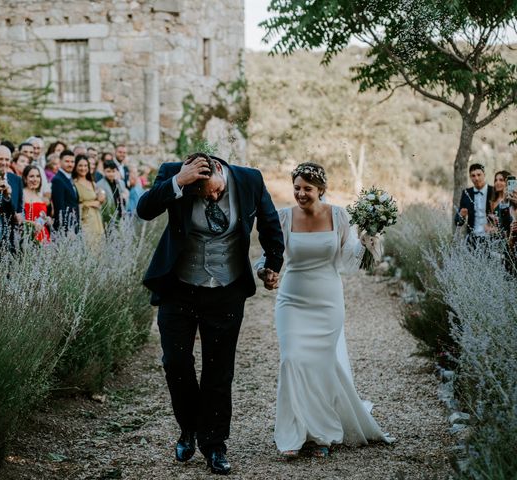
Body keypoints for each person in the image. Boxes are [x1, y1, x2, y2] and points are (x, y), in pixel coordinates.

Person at [136, 152, 284, 475]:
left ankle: (214, 444)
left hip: (226, 290)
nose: (214, 197)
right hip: (179, 287)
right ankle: (188, 428)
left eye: (216, 190)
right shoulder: (175, 174)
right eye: (205, 194)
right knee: (175, 362)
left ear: (220, 172)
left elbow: (270, 225)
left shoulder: (249, 180)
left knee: (219, 369)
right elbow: (145, 210)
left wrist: (273, 262)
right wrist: (178, 183)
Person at [256, 162, 392, 459]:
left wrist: (369, 239)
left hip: (328, 301)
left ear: (321, 190)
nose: (301, 194)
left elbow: (347, 258)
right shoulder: (283, 218)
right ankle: (294, 431)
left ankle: (323, 434)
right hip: (291, 300)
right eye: (296, 188)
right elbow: (269, 256)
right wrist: (265, 272)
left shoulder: (339, 216)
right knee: (291, 360)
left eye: (307, 188)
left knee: (320, 365)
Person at [455, 163, 494, 245]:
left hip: (491, 238)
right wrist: (461, 216)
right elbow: (458, 222)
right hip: (472, 239)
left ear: (484, 175)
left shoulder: (493, 191)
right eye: (473, 176)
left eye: (479, 175)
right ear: (470, 177)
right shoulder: (466, 193)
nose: (476, 178)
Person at [72, 154, 105, 247]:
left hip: (97, 219)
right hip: (85, 221)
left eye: (85, 166)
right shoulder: (74, 184)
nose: (83, 168)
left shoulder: (92, 183)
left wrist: (101, 197)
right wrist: (90, 203)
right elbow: (74, 205)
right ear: (76, 167)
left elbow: (100, 198)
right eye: (80, 165)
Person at [50, 149, 80, 234]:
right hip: (66, 230)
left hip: (74, 225)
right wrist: (66, 230)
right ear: (60, 162)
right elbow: (59, 208)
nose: (70, 164)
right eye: (67, 161)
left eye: (72, 162)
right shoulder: (58, 180)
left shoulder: (69, 178)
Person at [22, 165, 51, 244]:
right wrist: (32, 224)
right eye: (31, 176)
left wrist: (47, 220)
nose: (35, 179)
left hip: (44, 235)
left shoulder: (39, 195)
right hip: (28, 236)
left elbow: (41, 217)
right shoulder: (21, 194)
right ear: (25, 179)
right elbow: (17, 218)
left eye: (38, 176)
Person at [488, 170, 512, 237]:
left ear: (507, 182)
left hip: (511, 235)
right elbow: (493, 224)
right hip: (498, 236)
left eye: (501, 180)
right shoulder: (492, 202)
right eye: (496, 180)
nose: (497, 182)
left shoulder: (512, 200)